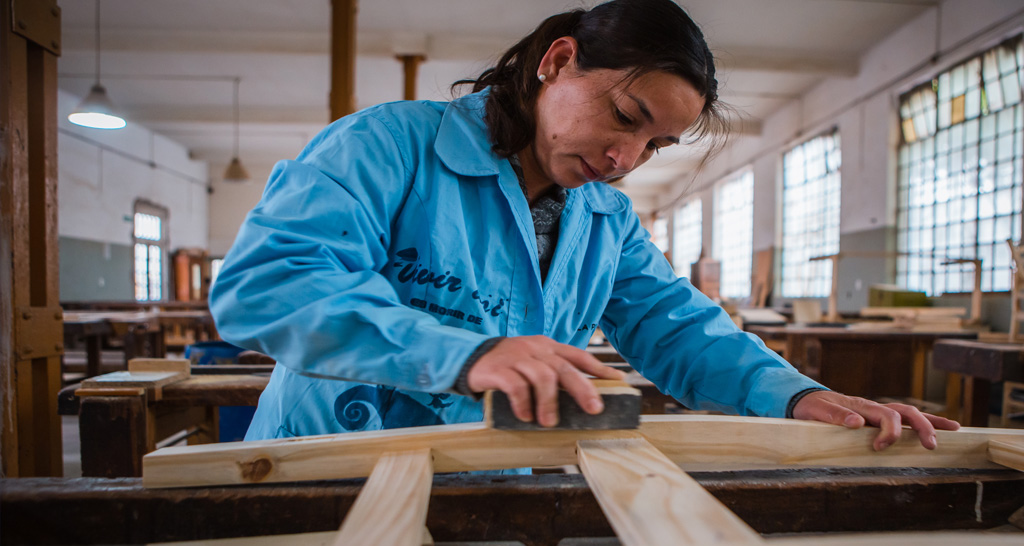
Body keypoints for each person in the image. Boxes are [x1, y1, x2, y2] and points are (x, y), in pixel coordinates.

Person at [210, 0, 958, 452]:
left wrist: (796, 396)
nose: (625, 157)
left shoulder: (606, 218)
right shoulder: (387, 146)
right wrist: (470, 354)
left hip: (490, 474)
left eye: (654, 145)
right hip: (330, 461)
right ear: (558, 61)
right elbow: (268, 287)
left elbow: (678, 327)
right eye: (625, 117)